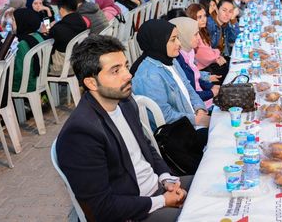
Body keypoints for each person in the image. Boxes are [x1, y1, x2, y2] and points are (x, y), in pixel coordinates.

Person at [57, 35, 192, 222]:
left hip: (157, 189)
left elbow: (146, 147)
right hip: (134, 212)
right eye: (115, 71)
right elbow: (101, 209)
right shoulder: (80, 133)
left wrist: (165, 177)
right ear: (91, 83)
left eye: (125, 66)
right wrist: (162, 201)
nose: (128, 75)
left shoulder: (125, 102)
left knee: (213, 183)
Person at [130, 19, 210, 129]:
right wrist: (196, 120)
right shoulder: (149, 75)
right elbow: (164, 116)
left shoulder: (170, 60)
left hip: (192, 121)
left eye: (177, 38)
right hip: (178, 133)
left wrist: (200, 109)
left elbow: (188, 87)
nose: (179, 43)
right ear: (158, 42)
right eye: (173, 39)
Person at [169, 17, 220, 105]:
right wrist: (211, 93)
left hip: (202, 97)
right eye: (195, 34)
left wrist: (211, 86)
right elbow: (188, 94)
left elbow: (196, 79)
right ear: (184, 35)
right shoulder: (178, 58)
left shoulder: (189, 51)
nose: (199, 38)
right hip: (198, 104)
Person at [185, 4, 229, 81]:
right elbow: (206, 56)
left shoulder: (201, 31)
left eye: (205, 16)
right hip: (203, 69)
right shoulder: (194, 35)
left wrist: (217, 55)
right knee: (226, 67)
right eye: (199, 17)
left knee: (228, 62)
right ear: (192, 19)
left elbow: (209, 50)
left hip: (208, 64)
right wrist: (216, 57)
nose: (204, 19)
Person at [48, 0, 88, 76]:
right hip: (78, 61)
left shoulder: (58, 28)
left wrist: (49, 30)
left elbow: (49, 48)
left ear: (61, 9)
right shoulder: (82, 21)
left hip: (62, 66)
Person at [12, 8, 45, 93]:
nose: (11, 23)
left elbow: (19, 72)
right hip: (40, 78)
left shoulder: (22, 43)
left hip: (27, 84)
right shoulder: (38, 36)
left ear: (21, 23)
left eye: (13, 20)